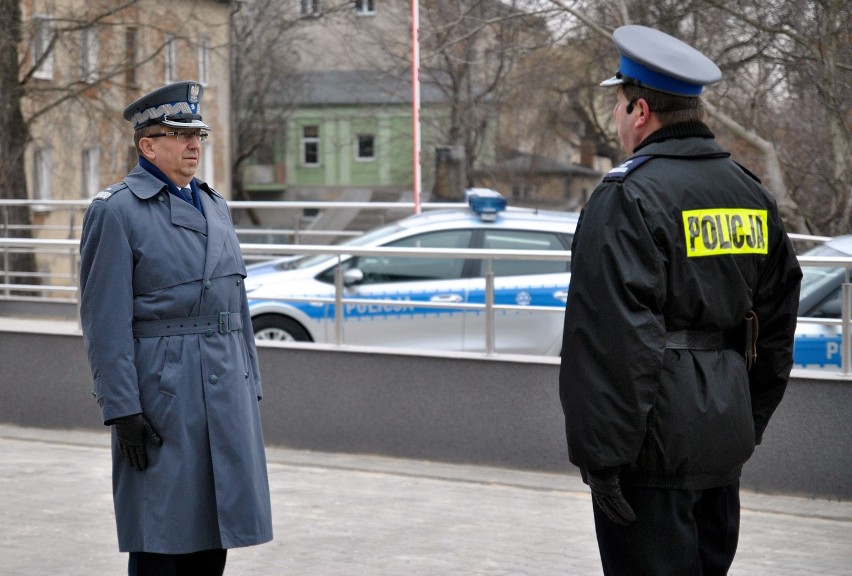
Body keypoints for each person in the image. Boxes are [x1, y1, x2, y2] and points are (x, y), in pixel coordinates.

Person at [559, 25, 802, 575]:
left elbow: (610, 343)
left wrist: (602, 461)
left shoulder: (626, 196)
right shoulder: (749, 193)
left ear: (640, 110)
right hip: (722, 439)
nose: (617, 119)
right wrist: (745, 420)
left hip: (651, 452)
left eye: (619, 105)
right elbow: (778, 322)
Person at [79, 81, 273, 576]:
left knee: (216, 533)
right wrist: (122, 408)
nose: (194, 146)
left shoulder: (214, 205)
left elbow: (237, 304)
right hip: (165, 393)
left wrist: (250, 384)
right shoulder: (116, 211)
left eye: (199, 135)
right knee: (162, 534)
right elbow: (105, 323)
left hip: (224, 388)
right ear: (147, 145)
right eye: (179, 135)